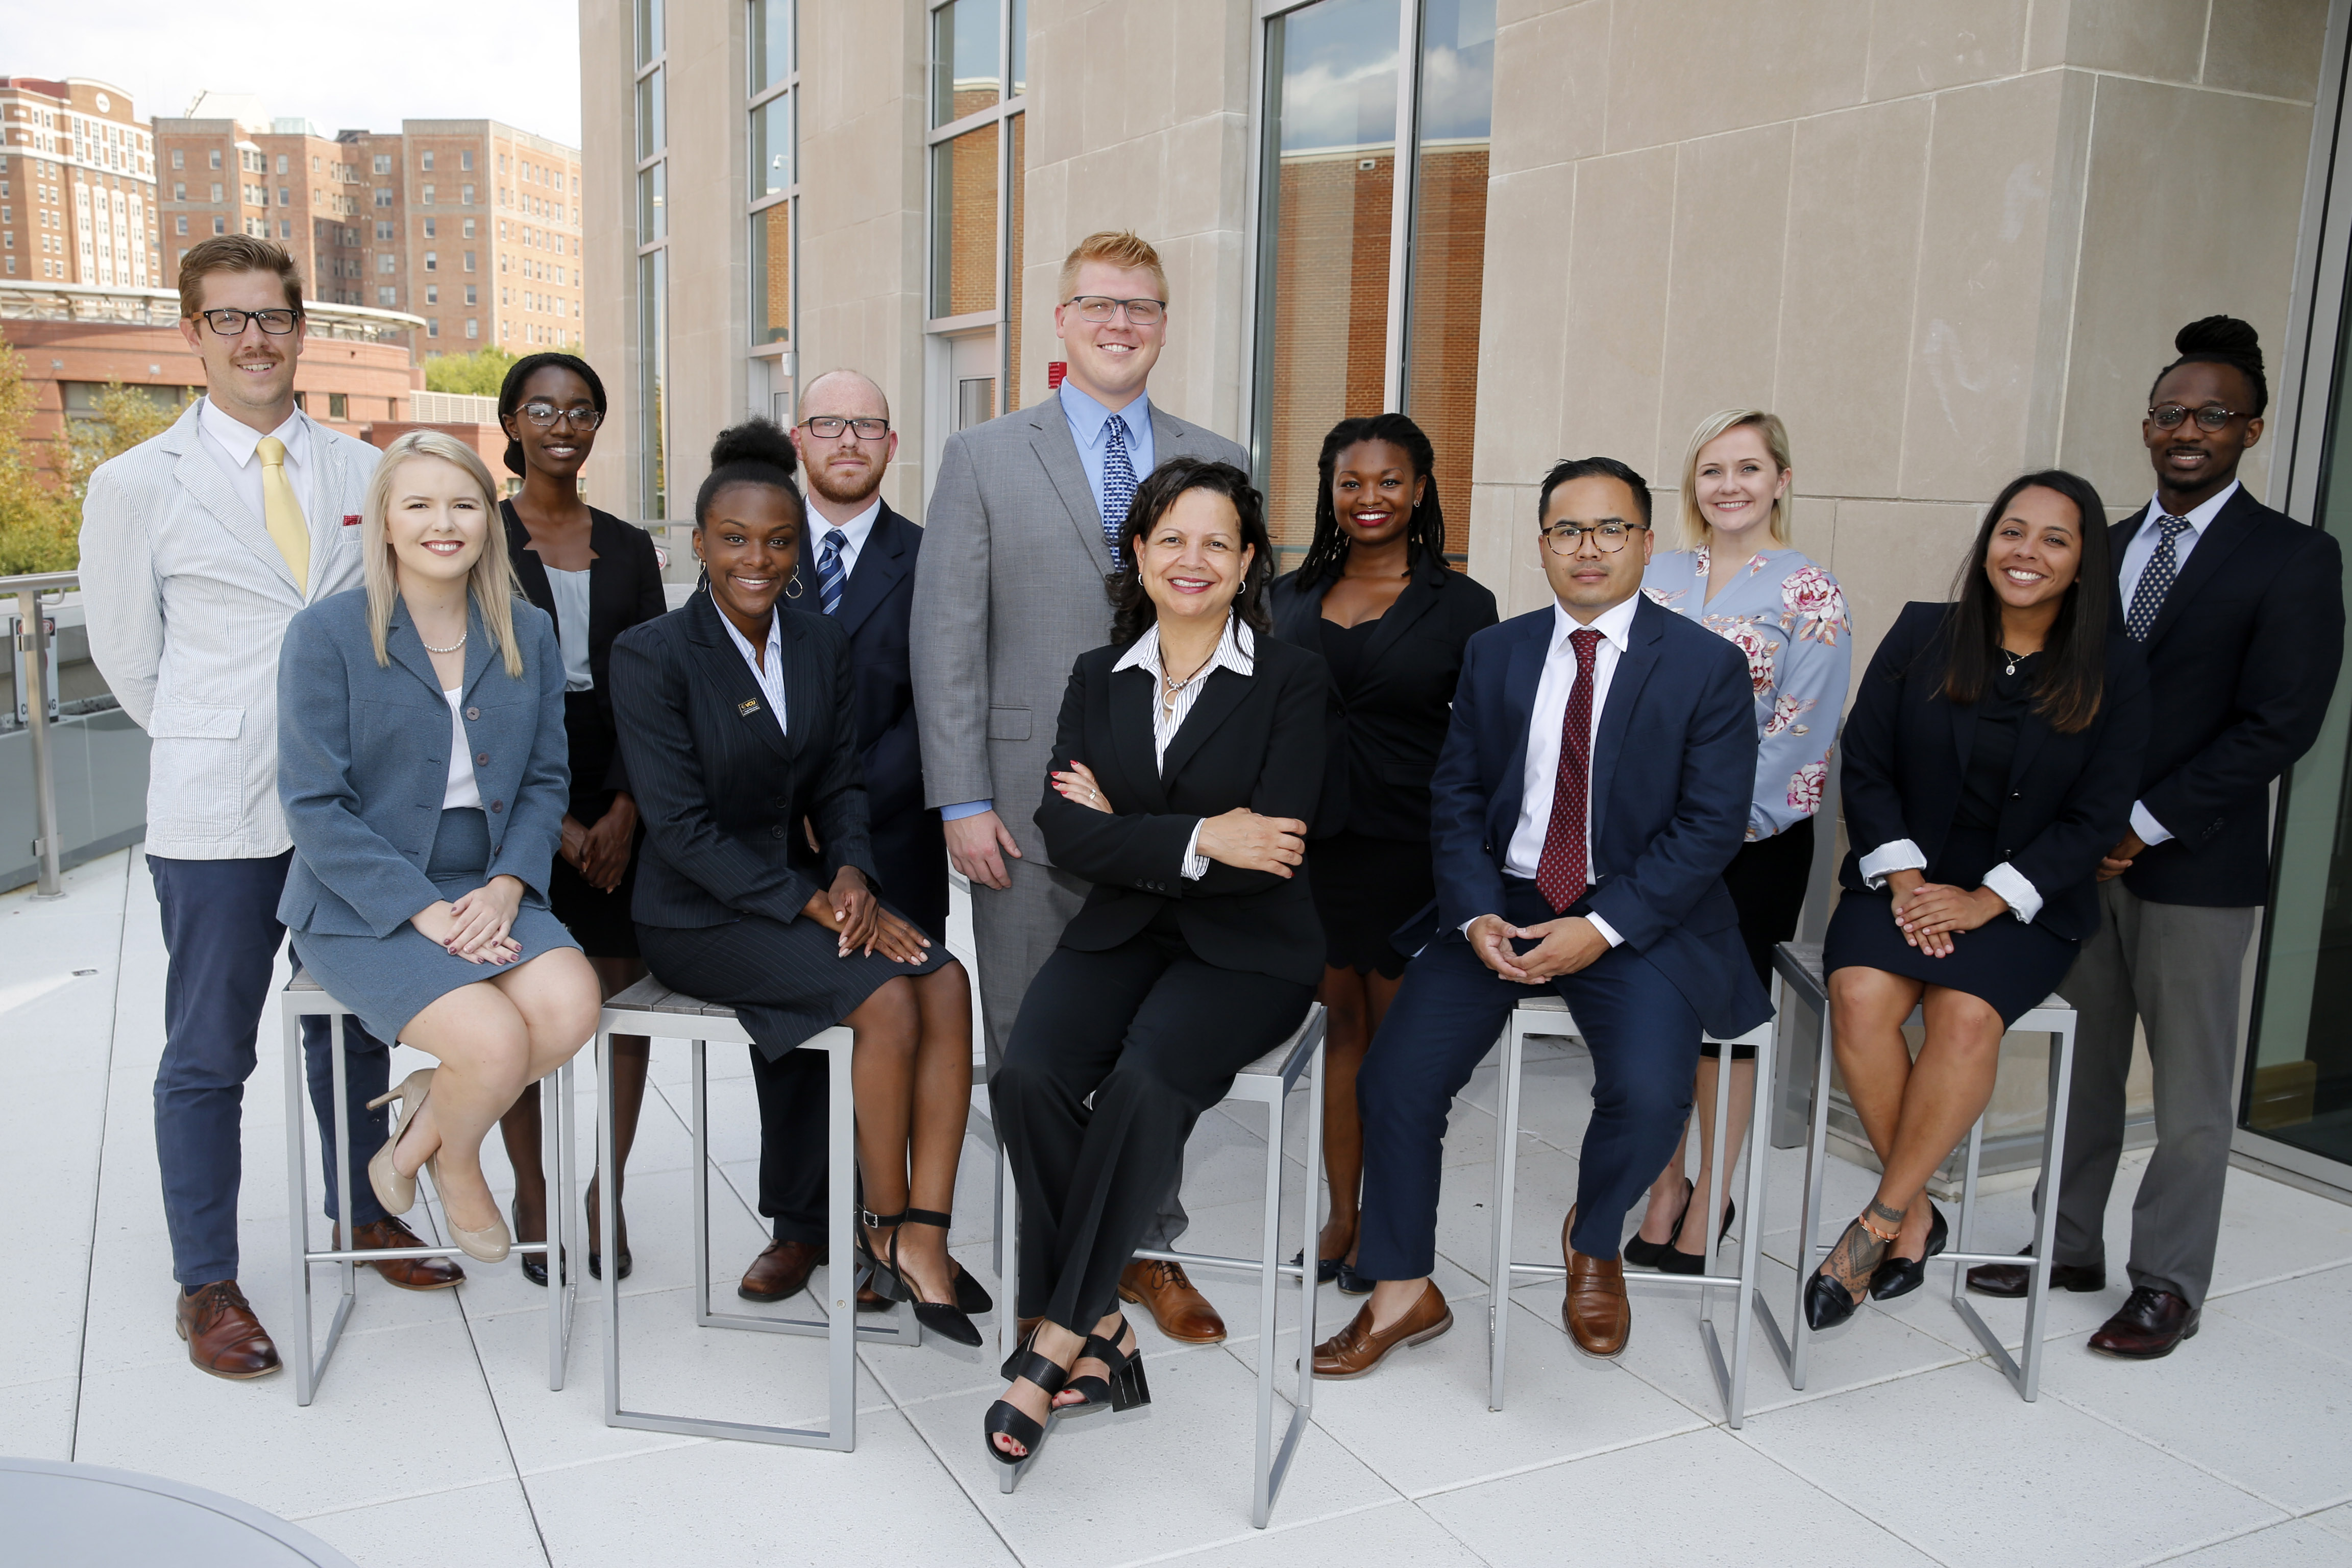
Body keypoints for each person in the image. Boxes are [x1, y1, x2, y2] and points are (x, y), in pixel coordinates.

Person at [79, 235, 459, 1382]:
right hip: (216, 815)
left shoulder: (362, 472)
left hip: (352, 809)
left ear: (302, 331)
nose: (254, 339)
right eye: (227, 319)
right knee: (208, 1049)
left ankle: (364, 1215)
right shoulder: (136, 486)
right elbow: (130, 663)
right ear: (192, 336)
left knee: (355, 1022)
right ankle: (207, 1281)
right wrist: (232, 743)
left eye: (273, 318)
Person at [1312, 457, 1768, 1379]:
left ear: (1646, 542)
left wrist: (1600, 929)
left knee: (1649, 1097)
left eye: (1610, 530)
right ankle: (1404, 1290)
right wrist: (1476, 912)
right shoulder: (1499, 651)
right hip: (1505, 902)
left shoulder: (1706, 666)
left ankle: (1593, 1237)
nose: (1588, 549)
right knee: (1396, 1081)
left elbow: (1710, 825)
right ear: (1543, 545)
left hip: (1636, 911)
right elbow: (1458, 793)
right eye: (1567, 531)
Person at [1967, 318, 2345, 1359]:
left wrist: (2140, 821)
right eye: (2172, 413)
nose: (2189, 430)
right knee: (2084, 1066)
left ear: (2252, 429)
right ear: (2147, 428)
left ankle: (2169, 1280)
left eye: (2212, 415)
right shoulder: (2106, 544)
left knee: (2186, 1094)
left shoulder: (2297, 559)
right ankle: (2068, 1244)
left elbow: (2282, 723)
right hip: (2082, 865)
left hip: (2198, 868)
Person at [913, 230, 1247, 1345]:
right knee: (1031, 1055)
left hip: (1175, 819)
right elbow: (946, 640)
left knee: (1159, 1044)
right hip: (1023, 808)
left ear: (1163, 322)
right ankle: (1062, 1274)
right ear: (1060, 321)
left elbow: (1244, 636)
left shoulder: (1216, 453)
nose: (1120, 323)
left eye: (1142, 306)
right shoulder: (983, 456)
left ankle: (1147, 1249)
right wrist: (961, 799)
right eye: (1099, 304)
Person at [612, 421, 985, 1345]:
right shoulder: (652, 655)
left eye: (779, 541)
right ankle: (881, 1229)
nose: (759, 558)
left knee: (946, 978)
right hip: (698, 913)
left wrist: (853, 869)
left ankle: (924, 1234)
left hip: (802, 887)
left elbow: (840, 782)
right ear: (697, 544)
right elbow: (683, 830)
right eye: (734, 539)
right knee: (892, 1000)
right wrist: (819, 902)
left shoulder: (818, 642)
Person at [984, 458, 1325, 1467]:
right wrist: (1200, 837)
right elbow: (1060, 829)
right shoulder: (1100, 676)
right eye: (1172, 538)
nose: (1193, 559)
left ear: (1248, 561)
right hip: (1124, 930)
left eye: (1218, 541)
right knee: (1026, 1075)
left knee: (1142, 1081)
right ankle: (1108, 1325)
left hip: (1251, 951)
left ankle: (1056, 1338)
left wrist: (1135, 830)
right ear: (1138, 553)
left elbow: (1276, 850)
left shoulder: (1293, 678)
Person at [1809, 472, 2149, 1330]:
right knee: (1859, 994)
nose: (2026, 552)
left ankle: (1882, 1219)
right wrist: (1912, 881)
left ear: (2083, 563)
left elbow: (2098, 813)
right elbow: (1869, 762)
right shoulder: (1926, 632)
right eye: (2013, 531)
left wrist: (1988, 901)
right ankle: (1918, 1211)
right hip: (1905, 879)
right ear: (1988, 540)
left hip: (2025, 901)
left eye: (2054, 539)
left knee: (1964, 1018)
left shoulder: (2116, 666)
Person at [276, 431, 603, 1266]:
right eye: (418, 504)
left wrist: (506, 886)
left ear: (487, 522)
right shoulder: (327, 635)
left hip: (486, 878)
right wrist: (420, 909)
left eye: (462, 505)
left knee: (572, 1007)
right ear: (384, 522)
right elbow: (313, 805)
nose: (443, 524)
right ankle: (459, 1164)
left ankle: (423, 1130)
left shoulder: (526, 629)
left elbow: (542, 782)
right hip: (363, 898)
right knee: (492, 1042)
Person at [722, 369, 948, 1309]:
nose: (848, 440)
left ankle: (882, 1230)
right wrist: (797, 806)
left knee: (896, 1027)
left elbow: (938, 701)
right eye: (828, 423)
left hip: (894, 834)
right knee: (788, 1041)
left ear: (892, 445)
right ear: (797, 437)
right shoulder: (754, 552)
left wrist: (844, 800)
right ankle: (798, 1226)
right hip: (776, 848)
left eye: (868, 426)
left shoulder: (934, 557)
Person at [1266, 413, 1496, 1293]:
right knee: (1342, 1034)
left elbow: (1482, 744)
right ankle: (1342, 1214)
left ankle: (1391, 1235)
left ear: (1422, 490)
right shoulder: (1286, 597)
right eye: (1352, 482)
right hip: (1314, 850)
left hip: (1415, 850)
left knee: (1403, 1052)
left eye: (1390, 481)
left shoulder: (1464, 606)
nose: (1370, 498)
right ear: (1329, 492)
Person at [1627, 410, 1850, 1273]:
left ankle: (1710, 1194)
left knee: (1724, 1020)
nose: (1730, 485)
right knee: (1659, 1015)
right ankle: (1662, 1181)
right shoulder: (1656, 574)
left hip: (1751, 844)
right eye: (1713, 469)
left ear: (1781, 481)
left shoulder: (1811, 591)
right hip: (1648, 840)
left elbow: (1803, 728)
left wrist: (1714, 833)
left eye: (1748, 469)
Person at [490, 352, 668, 1286]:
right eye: (544, 408)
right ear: (513, 422)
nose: (565, 424)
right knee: (521, 1005)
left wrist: (628, 809)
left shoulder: (631, 546)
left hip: (621, 785)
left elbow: (654, 687)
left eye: (584, 410)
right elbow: (470, 687)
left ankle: (609, 1190)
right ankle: (532, 1191)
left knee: (621, 1003)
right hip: (514, 785)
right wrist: (548, 821)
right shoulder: (477, 533)